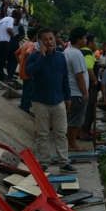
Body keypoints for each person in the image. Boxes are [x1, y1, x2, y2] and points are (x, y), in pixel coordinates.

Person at [26, 27, 75, 173]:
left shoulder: (60, 57)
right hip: (40, 101)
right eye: (45, 39)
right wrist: (42, 55)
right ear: (40, 42)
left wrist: (68, 97)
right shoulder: (34, 56)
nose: (49, 42)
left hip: (58, 100)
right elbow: (30, 72)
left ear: (55, 40)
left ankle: (64, 161)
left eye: (51, 39)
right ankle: (44, 161)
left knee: (61, 132)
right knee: (42, 133)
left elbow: (65, 78)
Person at [63, 27, 89, 150]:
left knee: (72, 119)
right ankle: (72, 143)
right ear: (79, 39)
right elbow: (79, 76)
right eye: (84, 37)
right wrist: (85, 93)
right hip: (76, 92)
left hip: (71, 91)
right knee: (76, 120)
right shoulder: (76, 53)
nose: (86, 40)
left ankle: (70, 143)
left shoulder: (68, 51)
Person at [80, 34, 99, 140]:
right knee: (89, 109)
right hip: (89, 86)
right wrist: (95, 80)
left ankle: (83, 130)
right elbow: (89, 68)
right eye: (94, 42)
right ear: (90, 43)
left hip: (83, 85)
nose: (95, 44)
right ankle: (83, 132)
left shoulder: (80, 51)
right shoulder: (87, 52)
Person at [16, 27, 39, 113]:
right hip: (28, 71)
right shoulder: (32, 45)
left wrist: (21, 62)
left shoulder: (25, 43)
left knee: (26, 88)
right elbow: (28, 53)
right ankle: (25, 107)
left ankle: (23, 104)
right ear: (35, 36)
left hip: (22, 69)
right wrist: (28, 64)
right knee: (29, 89)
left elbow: (16, 53)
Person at [0, 11, 15, 81]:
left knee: (0, 60)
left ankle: (0, 75)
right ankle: (0, 77)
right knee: (2, 61)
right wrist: (13, 36)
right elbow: (9, 29)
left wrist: (0, 33)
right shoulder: (11, 19)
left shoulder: (2, 20)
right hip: (4, 43)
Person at [6, 9, 25, 79]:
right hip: (15, 44)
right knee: (13, 60)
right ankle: (10, 75)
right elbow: (23, 35)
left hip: (7, 42)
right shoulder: (20, 25)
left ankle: (9, 74)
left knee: (9, 60)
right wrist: (18, 38)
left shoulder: (8, 21)